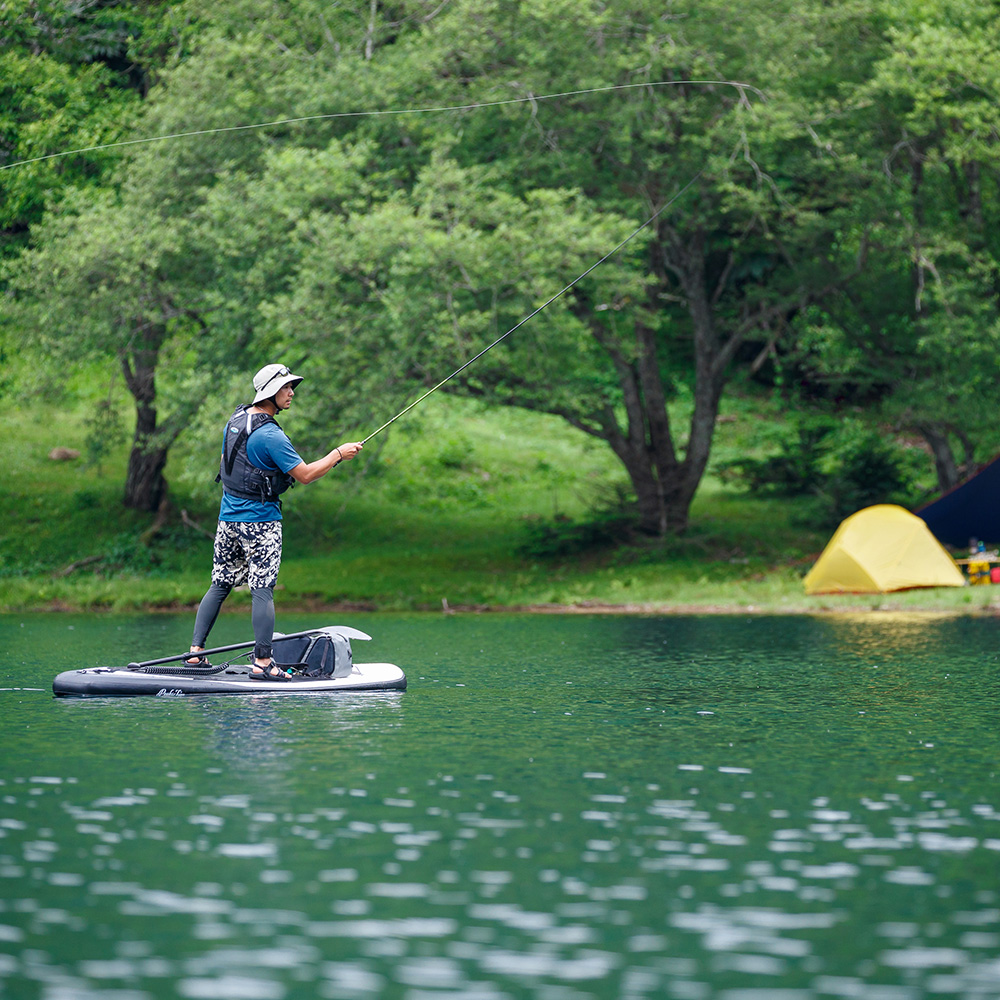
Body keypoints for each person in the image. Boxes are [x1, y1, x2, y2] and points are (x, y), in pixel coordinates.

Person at [186, 364, 362, 679]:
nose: (291, 393)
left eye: (291, 387)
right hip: (261, 522)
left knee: (220, 584)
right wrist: (338, 453)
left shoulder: (236, 420)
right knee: (262, 590)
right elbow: (306, 475)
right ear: (270, 392)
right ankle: (263, 664)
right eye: (286, 388)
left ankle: (196, 655)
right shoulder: (270, 435)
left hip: (228, 520)